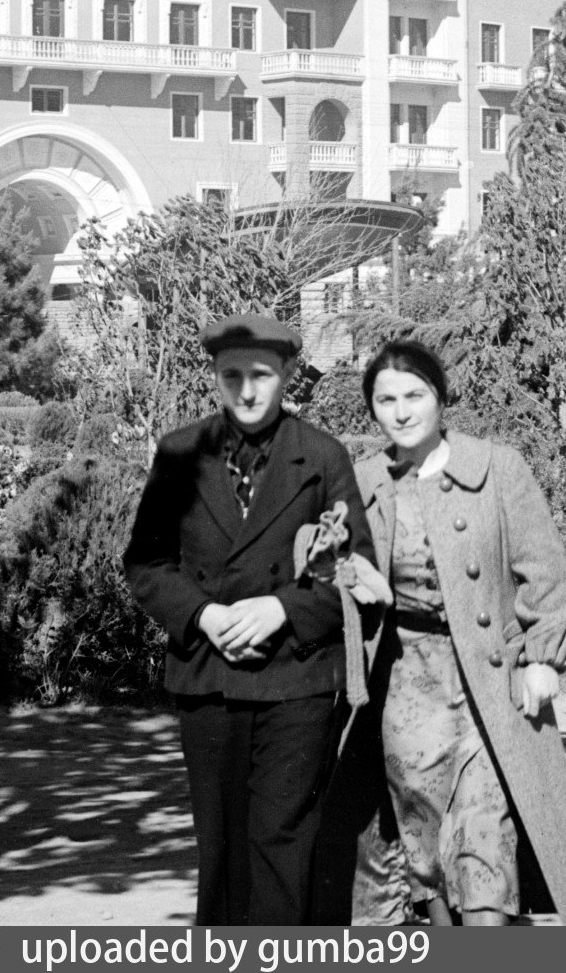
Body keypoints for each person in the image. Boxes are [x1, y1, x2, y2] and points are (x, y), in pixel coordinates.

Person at [332, 339, 566, 927]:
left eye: (415, 395)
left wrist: (544, 658)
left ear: (440, 397)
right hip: (405, 690)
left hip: (489, 686)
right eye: (386, 401)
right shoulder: (362, 481)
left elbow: (547, 572)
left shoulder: (497, 468)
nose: (402, 412)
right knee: (425, 846)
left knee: (484, 838)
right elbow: (331, 578)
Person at [123, 310, 373, 925]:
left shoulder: (321, 456)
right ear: (213, 376)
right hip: (209, 678)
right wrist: (203, 614)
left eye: (261, 374)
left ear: (287, 374)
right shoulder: (180, 453)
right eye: (231, 375)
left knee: (283, 840)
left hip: (296, 680)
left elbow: (355, 571)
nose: (247, 390)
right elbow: (147, 563)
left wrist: (281, 608)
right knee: (221, 843)